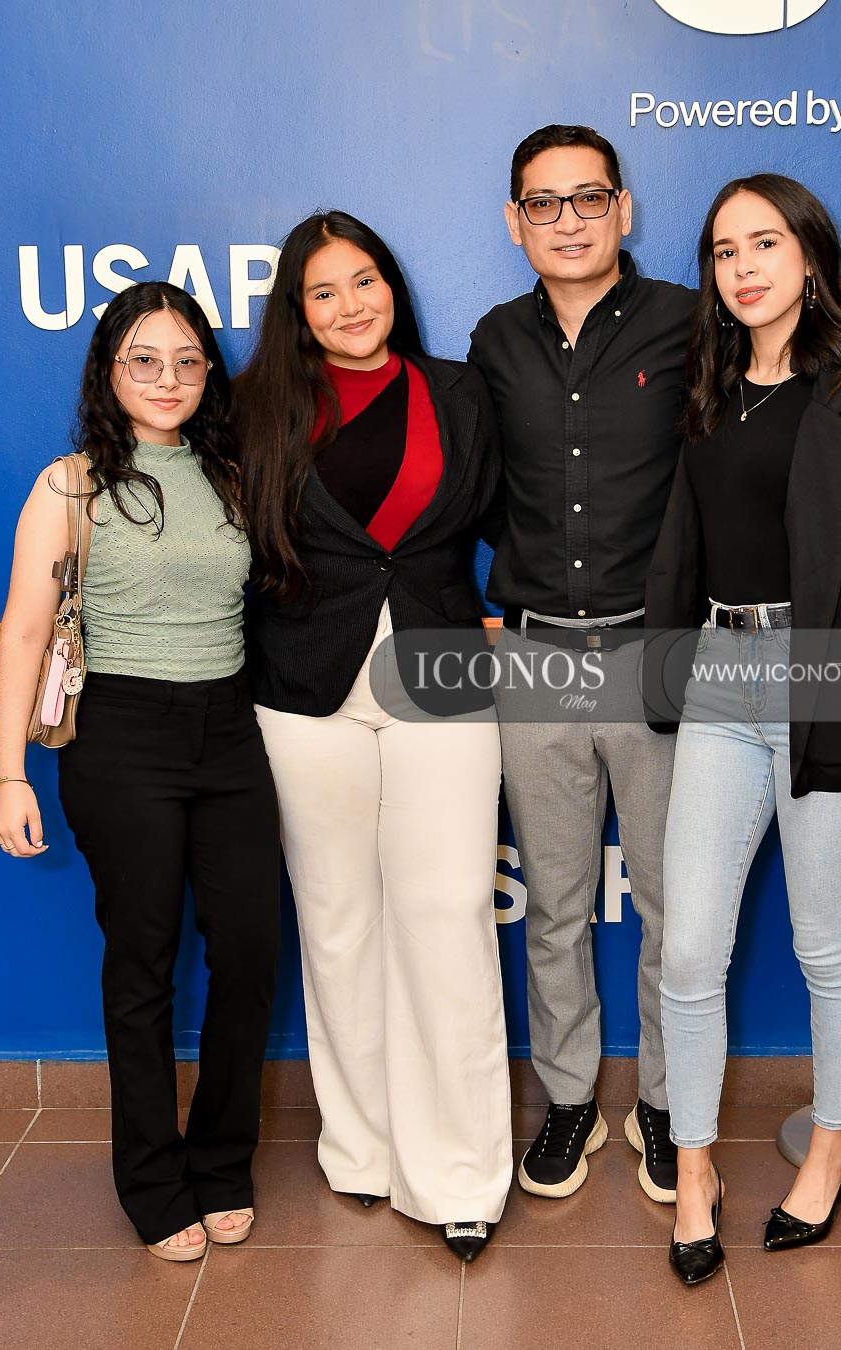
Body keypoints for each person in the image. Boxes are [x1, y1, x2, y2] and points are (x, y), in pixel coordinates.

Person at [468, 124, 841, 1206]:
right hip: (539, 653)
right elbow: (472, 478)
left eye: (589, 198)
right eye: (543, 203)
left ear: (624, 210)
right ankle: (570, 1099)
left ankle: (671, 1112)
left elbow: (809, 424)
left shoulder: (690, 323)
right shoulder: (495, 341)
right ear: (515, 221)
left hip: (664, 653)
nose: (567, 221)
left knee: (679, 913)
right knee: (557, 903)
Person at [643, 174, 841, 1286]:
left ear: (809, 256)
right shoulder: (709, 393)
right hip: (720, 676)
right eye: (725, 251)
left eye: (765, 243)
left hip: (829, 680)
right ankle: (696, 1170)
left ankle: (832, 1149)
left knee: (824, 945)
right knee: (690, 949)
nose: (744, 267)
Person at [235, 212, 511, 1262]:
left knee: (448, 911)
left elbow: (539, 495)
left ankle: (461, 1172)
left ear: (392, 284)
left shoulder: (460, 391)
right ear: (296, 311)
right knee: (338, 922)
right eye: (324, 291)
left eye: (365, 281)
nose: (351, 305)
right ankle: (362, 1148)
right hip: (303, 684)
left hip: (441, 666)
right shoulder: (254, 408)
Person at [0, 282, 282, 1262]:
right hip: (121, 735)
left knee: (249, 950)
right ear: (108, 372)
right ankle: (154, 1182)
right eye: (144, 360)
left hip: (230, 730)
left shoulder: (233, 474)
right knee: (143, 962)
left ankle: (222, 1160)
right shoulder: (70, 486)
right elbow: (24, 634)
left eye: (187, 360)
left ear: (209, 372)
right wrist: (8, 776)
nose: (168, 378)